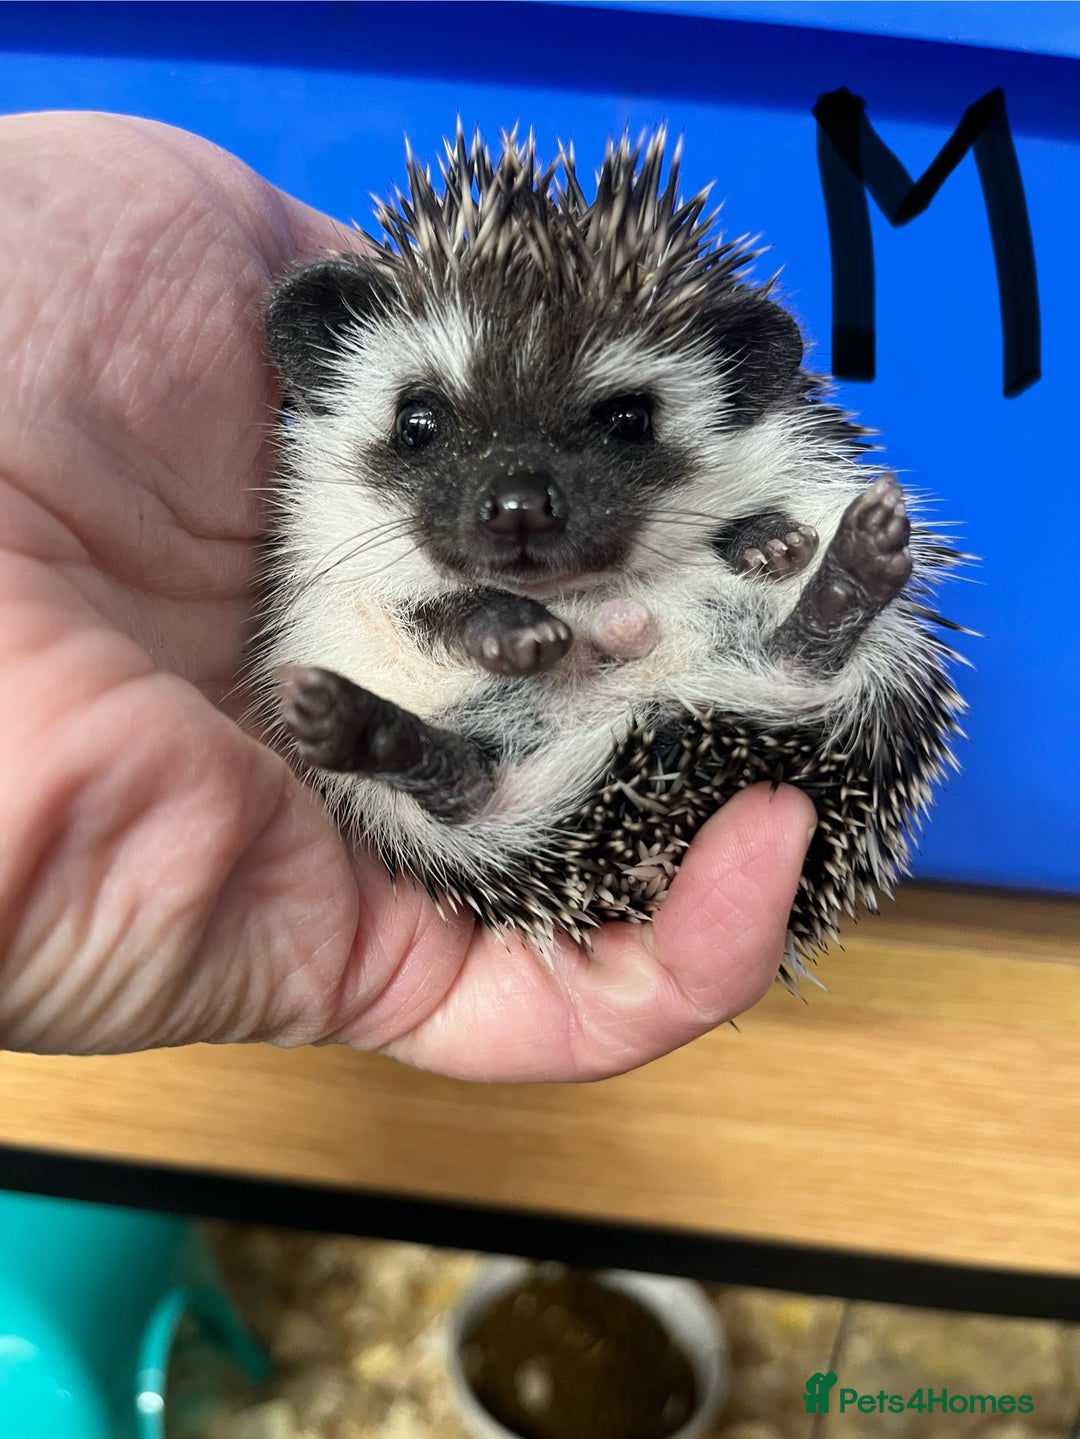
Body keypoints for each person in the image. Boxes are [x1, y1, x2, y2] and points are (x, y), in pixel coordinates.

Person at [0, 111, 816, 1079]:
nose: (518, 501)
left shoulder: (742, 475)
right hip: (535, 731)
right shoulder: (329, 507)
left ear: (735, 384)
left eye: (624, 421)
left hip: (703, 664)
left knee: (805, 608)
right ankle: (450, 767)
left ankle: (474, 760)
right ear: (326, 369)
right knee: (370, 660)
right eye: (427, 425)